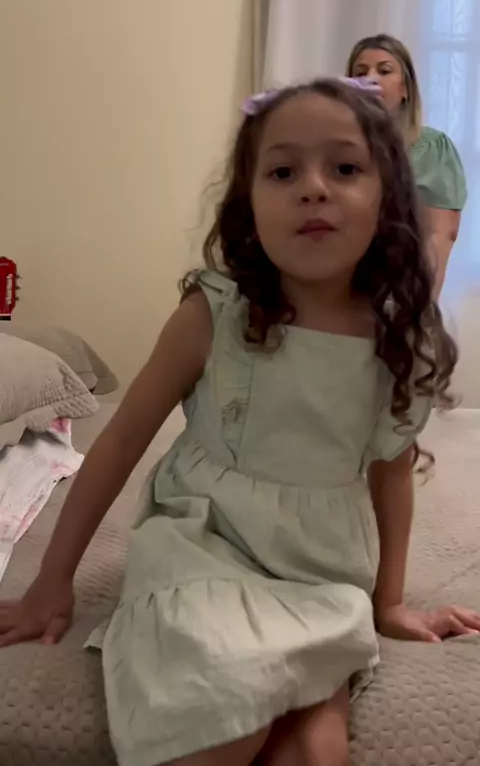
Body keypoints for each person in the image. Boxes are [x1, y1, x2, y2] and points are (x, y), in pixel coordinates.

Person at [1, 78, 479, 766]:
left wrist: (390, 603)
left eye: (345, 168)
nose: (313, 188)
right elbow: (122, 440)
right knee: (225, 720)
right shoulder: (214, 315)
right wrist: (53, 581)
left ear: (389, 199)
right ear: (248, 205)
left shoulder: (395, 334)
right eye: (283, 172)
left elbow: (391, 471)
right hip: (207, 547)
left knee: (318, 750)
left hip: (320, 569)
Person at [346, 34, 467, 297]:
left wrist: (420, 305)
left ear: (405, 89)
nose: (371, 79)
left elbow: (439, 235)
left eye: (384, 70)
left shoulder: (431, 148)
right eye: (360, 73)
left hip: (400, 294)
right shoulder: (335, 151)